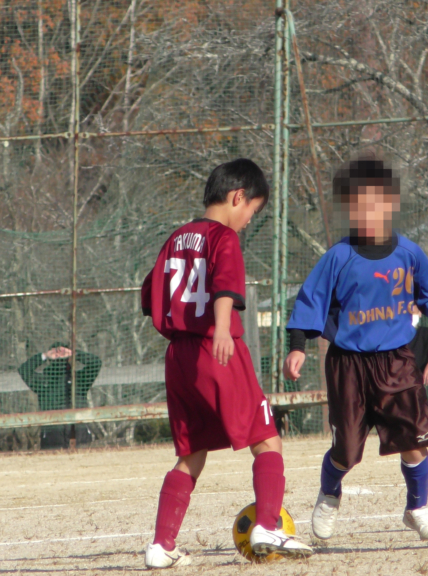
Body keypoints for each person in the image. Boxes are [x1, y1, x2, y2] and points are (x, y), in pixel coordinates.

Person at [140, 158, 311, 568]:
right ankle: (267, 525)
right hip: (216, 349)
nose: (249, 220)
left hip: (178, 357)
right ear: (238, 197)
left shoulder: (175, 238)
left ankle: (161, 545)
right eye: (252, 209)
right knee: (266, 437)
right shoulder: (224, 237)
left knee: (192, 452)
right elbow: (224, 287)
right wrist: (219, 328)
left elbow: (150, 295)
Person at [282, 156, 428, 542]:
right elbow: (309, 301)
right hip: (348, 365)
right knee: (346, 449)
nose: (366, 214)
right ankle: (329, 493)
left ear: (391, 204)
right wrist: (297, 347)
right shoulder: (338, 256)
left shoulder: (409, 252)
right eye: (357, 207)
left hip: (396, 361)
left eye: (375, 204)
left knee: (414, 440)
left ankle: (418, 509)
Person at [18, 343, 102, 448]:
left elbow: (96, 363)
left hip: (79, 433)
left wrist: (74, 353)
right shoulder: (44, 381)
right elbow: (24, 370)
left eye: (62, 352)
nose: (59, 356)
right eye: (56, 352)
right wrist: (45, 355)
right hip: (53, 435)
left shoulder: (79, 379)